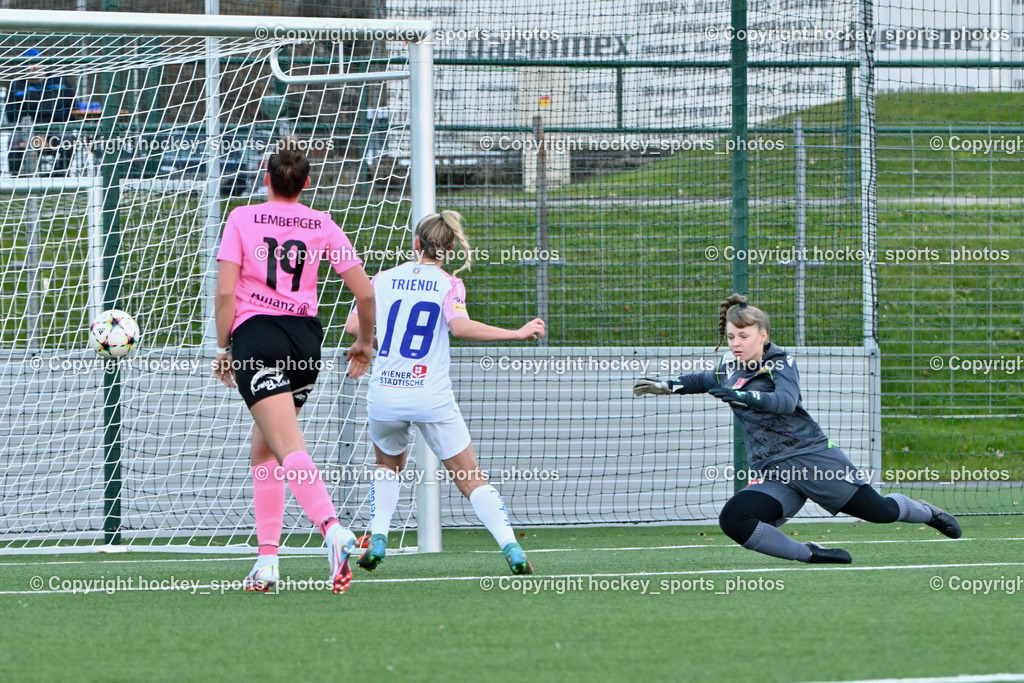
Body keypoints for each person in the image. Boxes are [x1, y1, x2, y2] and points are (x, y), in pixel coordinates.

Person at [633, 293, 961, 564]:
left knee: (882, 512)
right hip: (774, 470)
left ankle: (928, 513)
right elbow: (701, 380)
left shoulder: (779, 362)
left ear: (763, 336)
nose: (736, 343)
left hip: (813, 459)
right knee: (735, 520)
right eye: (731, 336)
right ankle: (811, 555)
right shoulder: (727, 369)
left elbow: (785, 402)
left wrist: (742, 396)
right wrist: (667, 385)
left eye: (744, 336)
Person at [213, 142, 375, 593]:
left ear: (265, 178)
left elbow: (226, 294)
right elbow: (364, 294)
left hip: (258, 337)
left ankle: (333, 531)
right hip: (305, 342)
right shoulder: (321, 223)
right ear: (305, 184)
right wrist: (364, 342)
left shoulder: (241, 218)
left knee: (285, 447)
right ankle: (267, 561)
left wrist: (225, 345)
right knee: (265, 451)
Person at [345, 210, 545, 575]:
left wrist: (376, 343)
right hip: (429, 395)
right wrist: (516, 333)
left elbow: (352, 325)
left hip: (385, 393)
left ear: (416, 244)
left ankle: (377, 538)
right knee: (470, 477)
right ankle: (511, 548)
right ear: (449, 249)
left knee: (387, 466)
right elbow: (461, 327)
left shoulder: (383, 278)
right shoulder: (448, 284)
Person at [5, 48, 75, 176]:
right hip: (29, 127)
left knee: (69, 140)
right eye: (30, 64)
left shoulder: (59, 81)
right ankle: (17, 178)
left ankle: (60, 175)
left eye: (37, 62)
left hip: (56, 126)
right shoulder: (17, 85)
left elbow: (71, 107)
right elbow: (12, 114)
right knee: (15, 141)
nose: (34, 67)